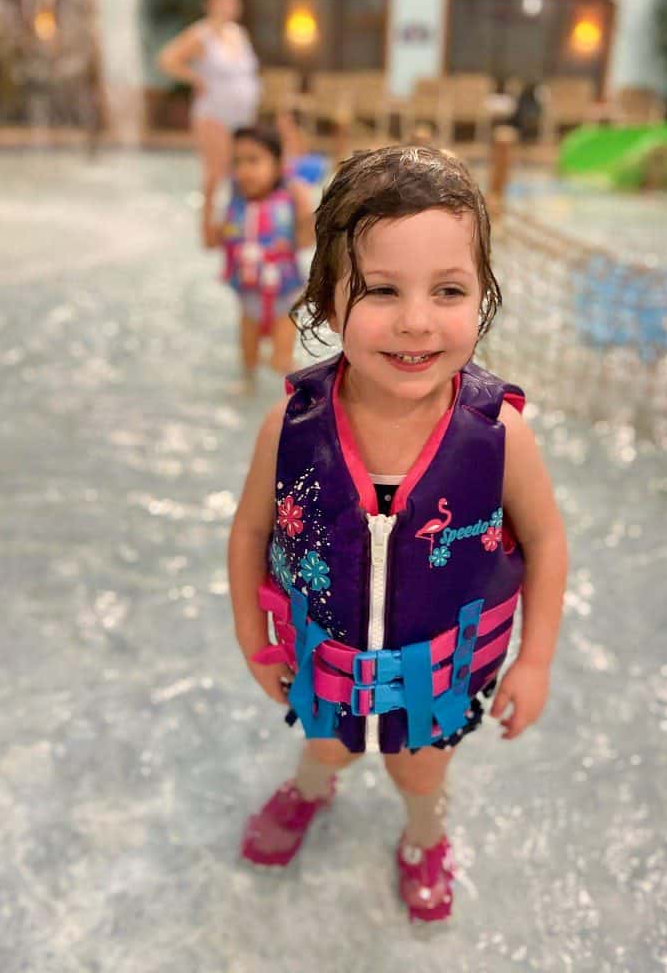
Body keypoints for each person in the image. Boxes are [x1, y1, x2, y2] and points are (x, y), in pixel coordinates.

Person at [227, 146, 567, 922]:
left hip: (435, 681)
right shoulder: (291, 426)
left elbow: (546, 541)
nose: (417, 320)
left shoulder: (500, 435)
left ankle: (422, 837)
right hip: (325, 665)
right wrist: (254, 637)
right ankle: (311, 788)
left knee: (421, 776)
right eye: (381, 290)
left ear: (482, 298)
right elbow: (249, 531)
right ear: (324, 299)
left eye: (448, 290)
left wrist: (535, 660)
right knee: (326, 746)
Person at [157, 0, 260, 247]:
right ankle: (207, 231)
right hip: (213, 113)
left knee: (240, 170)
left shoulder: (238, 33)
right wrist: (195, 79)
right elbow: (167, 59)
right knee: (216, 173)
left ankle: (235, 224)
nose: (231, 4)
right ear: (210, 2)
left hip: (241, 116)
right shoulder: (200, 34)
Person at [212, 125, 314, 379]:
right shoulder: (235, 202)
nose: (244, 170)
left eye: (253, 160)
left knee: (280, 364)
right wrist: (208, 194)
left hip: (284, 299)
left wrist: (305, 209)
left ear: (278, 165)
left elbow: (304, 242)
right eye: (238, 162)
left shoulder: (288, 199)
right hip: (248, 299)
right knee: (248, 367)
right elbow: (211, 241)